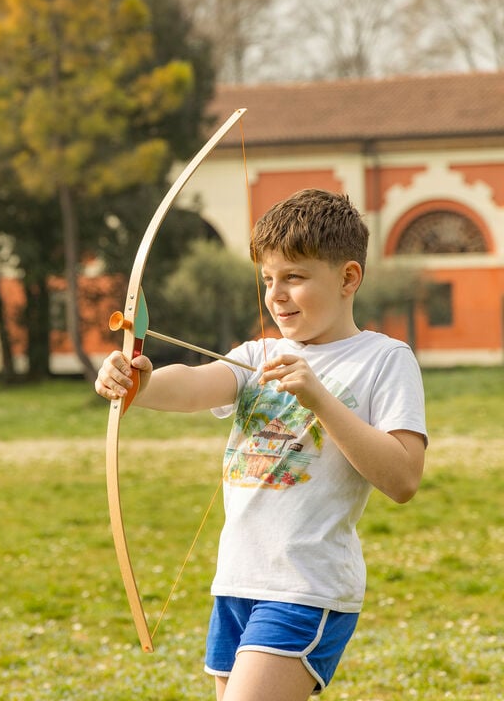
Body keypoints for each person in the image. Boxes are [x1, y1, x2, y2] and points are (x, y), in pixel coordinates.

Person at [95, 188, 427, 701]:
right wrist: (134, 382)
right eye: (268, 278)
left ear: (348, 277)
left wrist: (319, 398)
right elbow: (193, 383)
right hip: (237, 582)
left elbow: (403, 477)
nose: (276, 294)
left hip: (305, 587)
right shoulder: (259, 353)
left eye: (294, 277)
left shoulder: (384, 358)